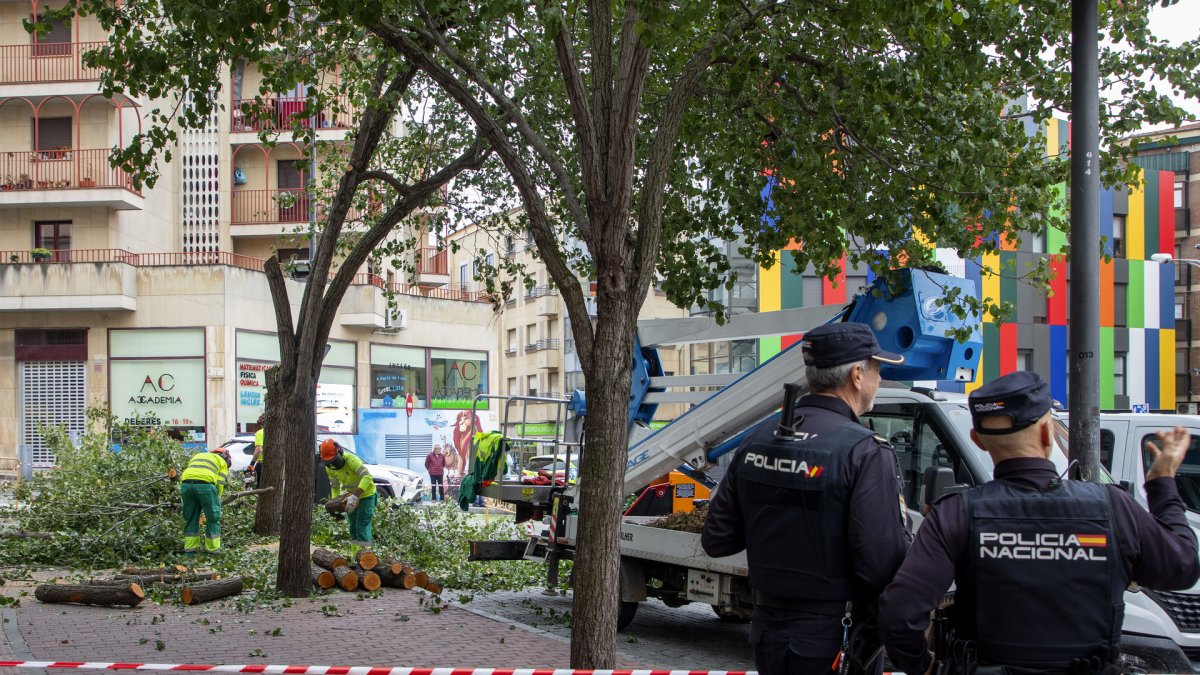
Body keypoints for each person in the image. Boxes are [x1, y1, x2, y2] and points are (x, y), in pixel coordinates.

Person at [878, 371, 1200, 675]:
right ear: (1048, 433)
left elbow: (899, 614)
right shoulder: (1114, 507)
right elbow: (1183, 566)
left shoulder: (955, 514)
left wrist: (927, 667)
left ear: (977, 440)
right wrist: (1161, 483)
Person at [701, 322, 912, 675]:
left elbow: (718, 540)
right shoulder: (864, 451)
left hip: (767, 633)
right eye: (877, 370)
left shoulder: (757, 440)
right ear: (857, 375)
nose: (879, 380)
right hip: (835, 638)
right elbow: (881, 565)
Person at [319, 438, 377, 559]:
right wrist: (335, 503)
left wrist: (356, 496)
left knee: (361, 526)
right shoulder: (330, 467)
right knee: (353, 527)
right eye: (329, 462)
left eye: (334, 460)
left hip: (366, 495)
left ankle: (366, 557)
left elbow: (367, 477)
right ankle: (355, 556)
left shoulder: (352, 460)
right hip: (350, 497)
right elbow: (335, 486)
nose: (333, 464)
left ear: (339, 451)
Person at [180, 447, 231, 555]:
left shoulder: (198, 456)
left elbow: (189, 473)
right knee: (213, 518)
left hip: (186, 485)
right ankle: (212, 551)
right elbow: (220, 483)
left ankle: (190, 551)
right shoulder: (222, 462)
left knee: (191, 517)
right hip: (206, 486)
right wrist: (216, 497)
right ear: (225, 457)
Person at [251, 415, 265, 489]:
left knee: (260, 487)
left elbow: (259, 450)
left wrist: (252, 464)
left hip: (262, 464)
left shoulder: (260, 433)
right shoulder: (279, 432)